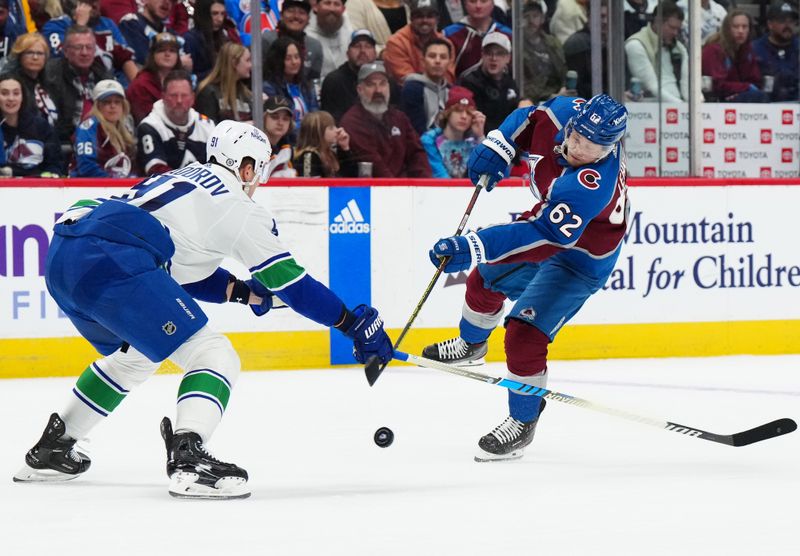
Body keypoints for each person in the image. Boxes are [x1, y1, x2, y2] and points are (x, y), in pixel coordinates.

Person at [13, 119, 393, 499]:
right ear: (246, 167)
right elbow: (292, 285)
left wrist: (245, 294)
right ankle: (189, 458)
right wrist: (351, 322)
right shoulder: (237, 205)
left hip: (67, 252)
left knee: (136, 357)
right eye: (258, 170)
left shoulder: (185, 179)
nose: (257, 180)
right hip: (116, 258)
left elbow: (184, 271)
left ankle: (52, 449)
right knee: (213, 354)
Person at [422, 94, 628, 462]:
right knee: (483, 281)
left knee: (524, 336)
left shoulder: (590, 185)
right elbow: (528, 117)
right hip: (548, 225)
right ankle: (472, 345)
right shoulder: (563, 112)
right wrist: (499, 144)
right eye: (578, 137)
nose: (580, 149)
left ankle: (522, 422)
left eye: (594, 147)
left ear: (611, 147)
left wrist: (474, 244)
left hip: (580, 259)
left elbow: (541, 237)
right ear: (574, 123)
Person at [340, 61, 431, 177]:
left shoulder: (399, 118)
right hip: (373, 190)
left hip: (404, 188)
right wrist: (395, 190)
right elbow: (373, 163)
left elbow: (417, 154)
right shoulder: (352, 122)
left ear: (389, 86)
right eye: (371, 85)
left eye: (382, 84)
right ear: (359, 89)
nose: (378, 90)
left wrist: (424, 186)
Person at [43, 25, 114, 146]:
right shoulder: (50, 77)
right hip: (66, 144)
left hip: (102, 141)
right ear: (65, 51)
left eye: (89, 47)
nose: (84, 53)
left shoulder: (102, 75)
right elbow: (54, 123)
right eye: (78, 47)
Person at [137, 70, 215, 174]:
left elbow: (219, 167)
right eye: (173, 95)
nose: (179, 100)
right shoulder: (149, 126)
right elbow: (155, 170)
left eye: (184, 95)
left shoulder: (207, 125)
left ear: (193, 98)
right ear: (163, 97)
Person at [42, 0, 138, 84]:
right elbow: (65, 59)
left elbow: (125, 58)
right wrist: (80, 25)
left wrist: (138, 87)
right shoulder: (56, 26)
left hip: (113, 83)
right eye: (89, 2)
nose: (95, 5)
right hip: (73, 84)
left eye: (96, 1)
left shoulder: (107, 24)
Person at [321, 28, 402, 123]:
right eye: (356, 46)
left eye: (368, 46)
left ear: (375, 53)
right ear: (347, 53)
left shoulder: (386, 80)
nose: (363, 51)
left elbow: (398, 117)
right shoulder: (334, 82)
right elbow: (331, 122)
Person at [0, 74, 63, 176]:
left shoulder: (41, 126)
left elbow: (55, 165)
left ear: (23, 97)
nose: (11, 98)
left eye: (16, 93)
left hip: (38, 188)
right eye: (4, 93)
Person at [625, 1, 688, 102]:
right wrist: (682, 107)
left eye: (678, 29)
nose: (675, 33)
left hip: (678, 105)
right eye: (672, 27)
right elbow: (652, 87)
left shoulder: (680, 48)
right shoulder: (636, 45)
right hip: (648, 109)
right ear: (657, 21)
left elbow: (687, 85)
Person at [72, 79, 137, 177]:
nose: (113, 106)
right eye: (107, 102)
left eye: (117, 102)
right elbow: (86, 167)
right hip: (88, 187)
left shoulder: (125, 129)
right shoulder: (88, 128)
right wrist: (113, 182)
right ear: (98, 106)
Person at [458, 31, 519, 133]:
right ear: (482, 55)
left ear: (508, 58)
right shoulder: (469, 82)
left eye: (499, 54)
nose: (493, 58)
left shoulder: (509, 80)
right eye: (488, 53)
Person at [702, 9, 768, 102]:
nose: (741, 31)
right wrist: (745, 87)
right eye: (736, 27)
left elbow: (755, 81)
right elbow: (716, 85)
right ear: (727, 29)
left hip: (740, 96)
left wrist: (745, 88)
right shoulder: (713, 50)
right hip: (718, 100)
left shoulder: (747, 50)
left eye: (744, 27)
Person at [383, 0, 454, 85]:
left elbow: (449, 79)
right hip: (408, 94)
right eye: (419, 16)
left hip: (440, 93)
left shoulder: (446, 44)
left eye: (430, 16)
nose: (425, 20)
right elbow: (406, 80)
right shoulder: (396, 43)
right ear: (411, 18)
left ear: (437, 19)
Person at [420, 85, 485, 178]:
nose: (464, 116)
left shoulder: (474, 142)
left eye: (469, 113)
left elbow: (494, 170)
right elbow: (439, 175)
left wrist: (480, 136)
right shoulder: (430, 140)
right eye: (458, 111)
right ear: (447, 114)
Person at [126, 32, 185, 124]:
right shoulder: (141, 84)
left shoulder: (183, 82)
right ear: (152, 55)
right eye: (161, 50)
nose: (167, 54)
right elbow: (144, 120)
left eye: (172, 51)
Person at [263, 36, 319, 132]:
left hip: (309, 138)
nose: (294, 62)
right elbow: (282, 124)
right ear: (277, 61)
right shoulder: (269, 87)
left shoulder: (307, 85)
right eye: (288, 58)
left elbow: (316, 117)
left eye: (297, 57)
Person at [444, 0, 511, 79]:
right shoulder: (448, 34)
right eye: (473, 1)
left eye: (484, 1)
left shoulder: (508, 34)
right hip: (461, 89)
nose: (478, 6)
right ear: (465, 4)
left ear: (493, 4)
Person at [5, 32, 59, 128]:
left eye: (40, 53)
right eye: (29, 53)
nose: (35, 57)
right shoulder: (11, 84)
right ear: (19, 55)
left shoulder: (50, 83)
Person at [400, 37, 452, 134]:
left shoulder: (452, 91)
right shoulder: (412, 88)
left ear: (449, 62)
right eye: (432, 56)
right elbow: (414, 129)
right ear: (423, 61)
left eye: (443, 57)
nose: (437, 61)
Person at [261, 0, 323, 80]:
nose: (296, 16)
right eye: (291, 11)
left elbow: (313, 82)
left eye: (302, 12)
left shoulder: (314, 46)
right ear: (281, 15)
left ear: (308, 19)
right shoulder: (267, 40)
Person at [119, 0, 191, 68]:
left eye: (172, 0)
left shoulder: (173, 35)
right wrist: (178, 62)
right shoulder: (130, 24)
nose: (167, 2)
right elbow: (143, 61)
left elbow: (188, 64)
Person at [195, 42, 253, 124]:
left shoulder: (247, 94)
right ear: (234, 63)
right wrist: (241, 128)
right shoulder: (208, 92)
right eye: (247, 60)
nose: (251, 65)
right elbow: (207, 129)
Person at [182, 0, 241, 81]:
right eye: (214, 14)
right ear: (203, 14)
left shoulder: (225, 38)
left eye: (222, 14)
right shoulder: (190, 39)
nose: (220, 19)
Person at [752, 1, 799, 102]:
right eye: (782, 21)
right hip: (764, 108)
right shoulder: (754, 49)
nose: (787, 26)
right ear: (770, 24)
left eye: (791, 21)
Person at [520, 1, 566, 104]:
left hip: (557, 96)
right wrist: (549, 96)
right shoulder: (517, 46)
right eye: (526, 16)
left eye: (535, 16)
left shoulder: (553, 43)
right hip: (532, 100)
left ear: (542, 19)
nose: (531, 21)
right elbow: (522, 83)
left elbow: (563, 69)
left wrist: (563, 88)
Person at [293, 110, 357, 177]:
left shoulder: (331, 153)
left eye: (335, 126)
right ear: (318, 133)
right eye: (331, 128)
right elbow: (310, 184)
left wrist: (345, 148)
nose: (337, 130)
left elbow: (351, 177)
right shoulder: (309, 155)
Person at [305, 0, 353, 79]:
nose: (332, 9)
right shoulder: (307, 36)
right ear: (315, 7)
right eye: (327, 3)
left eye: (336, 4)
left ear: (343, 10)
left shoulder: (347, 30)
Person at [263, 95, 297, 177]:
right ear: (263, 118)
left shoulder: (288, 147)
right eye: (274, 117)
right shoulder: (252, 144)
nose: (280, 123)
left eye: (285, 119)